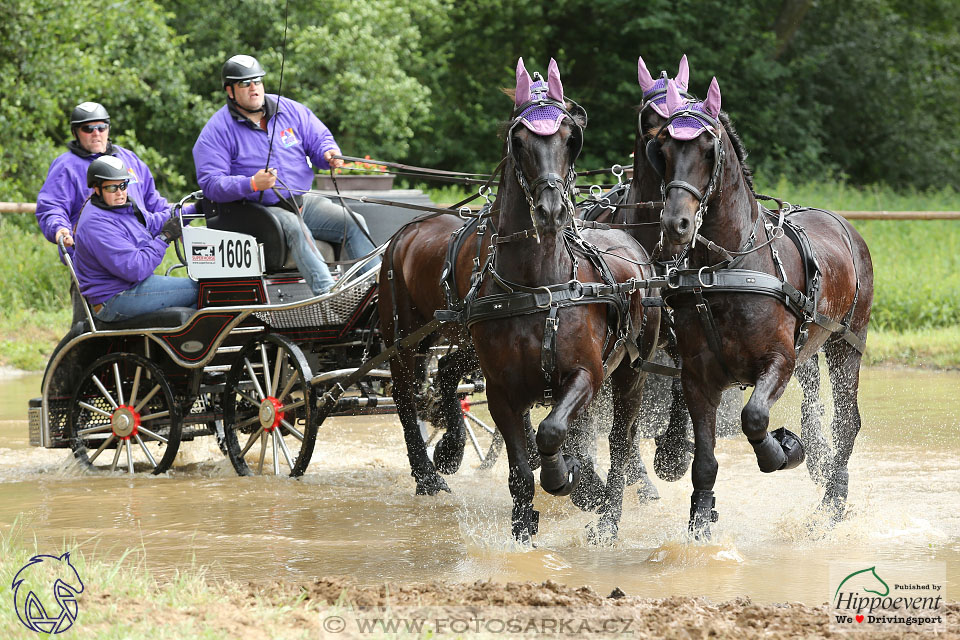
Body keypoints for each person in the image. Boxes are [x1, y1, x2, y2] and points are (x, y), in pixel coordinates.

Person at [193, 54, 379, 295]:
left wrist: (329, 153)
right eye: (244, 84)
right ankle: (329, 296)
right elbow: (210, 183)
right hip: (254, 211)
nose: (254, 88)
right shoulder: (217, 130)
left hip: (300, 202)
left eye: (257, 81)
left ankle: (378, 291)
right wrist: (251, 183)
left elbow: (319, 138)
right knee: (294, 226)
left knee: (353, 222)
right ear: (230, 91)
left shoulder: (289, 110)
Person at [36, 101, 183, 250]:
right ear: (75, 133)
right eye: (88, 128)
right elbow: (52, 206)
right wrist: (58, 228)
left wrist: (178, 221)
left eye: (101, 127)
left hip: (139, 253)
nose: (96, 133)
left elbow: (153, 201)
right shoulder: (65, 166)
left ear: (108, 129)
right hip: (95, 254)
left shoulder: (129, 158)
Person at [73, 156, 198, 322]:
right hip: (115, 297)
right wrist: (164, 238)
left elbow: (153, 222)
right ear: (96, 189)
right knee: (202, 290)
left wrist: (195, 208)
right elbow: (136, 268)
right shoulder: (96, 223)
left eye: (123, 185)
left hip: (129, 287)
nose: (120, 193)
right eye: (112, 187)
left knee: (202, 296)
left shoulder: (119, 208)